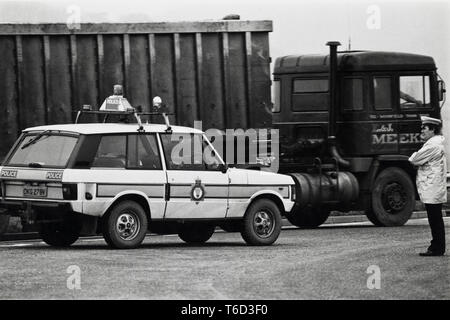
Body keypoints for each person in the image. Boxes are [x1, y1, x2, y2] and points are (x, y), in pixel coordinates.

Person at [409, 116, 447, 256]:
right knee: (435, 218)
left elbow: (414, 159)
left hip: (432, 186)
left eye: (425, 128)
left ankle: (437, 248)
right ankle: (437, 247)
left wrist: (414, 156)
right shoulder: (435, 143)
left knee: (435, 219)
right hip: (433, 186)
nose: (422, 131)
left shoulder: (433, 145)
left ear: (433, 130)